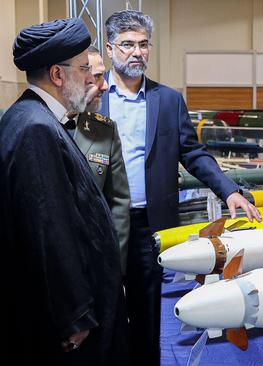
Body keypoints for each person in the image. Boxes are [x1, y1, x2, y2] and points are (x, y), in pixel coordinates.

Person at [101, 10, 261, 365]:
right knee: (105, 311)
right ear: (110, 49)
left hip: (150, 227)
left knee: (146, 315)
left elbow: (193, 152)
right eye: (127, 44)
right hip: (102, 224)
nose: (137, 52)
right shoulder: (94, 99)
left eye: (143, 44)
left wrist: (229, 190)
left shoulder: (169, 100)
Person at [0, 18, 127, 364]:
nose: (93, 78)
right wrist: (75, 314)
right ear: (57, 75)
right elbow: (49, 229)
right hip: (69, 326)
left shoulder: (32, 118)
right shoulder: (36, 128)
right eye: (85, 68)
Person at [71, 45, 131, 275]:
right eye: (97, 77)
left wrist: (115, 272)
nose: (105, 86)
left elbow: (118, 207)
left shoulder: (104, 130)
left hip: (92, 264)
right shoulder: (28, 122)